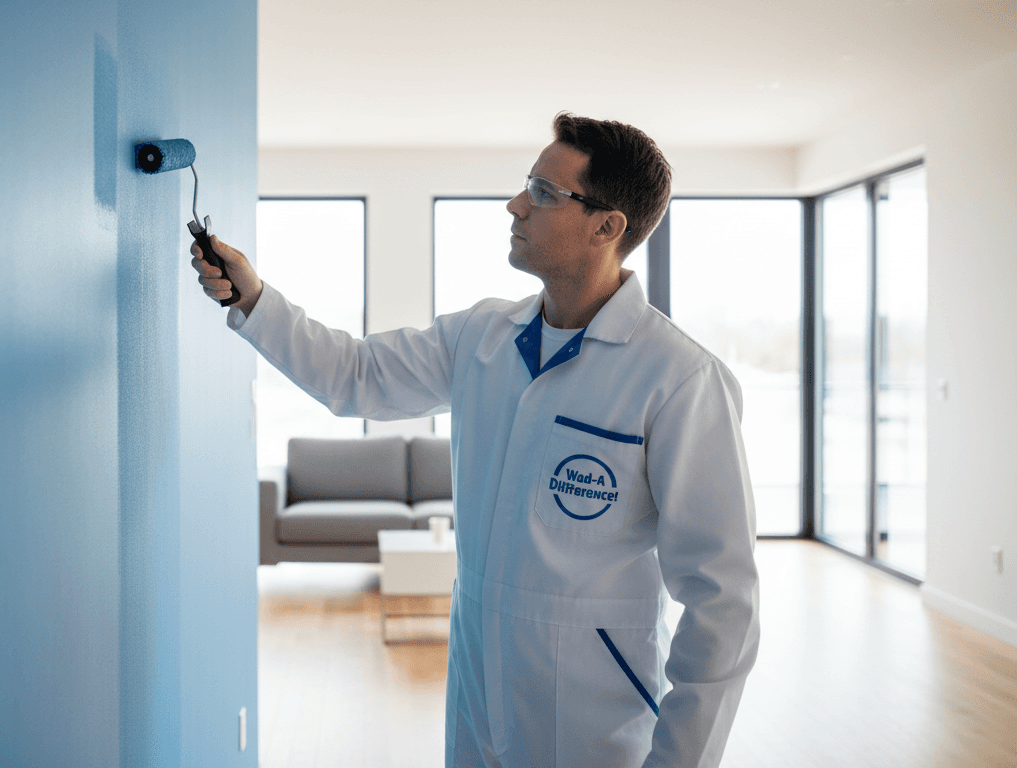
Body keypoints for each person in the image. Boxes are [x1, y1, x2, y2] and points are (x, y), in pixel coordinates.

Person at [190, 113, 759, 768]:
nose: (516, 204)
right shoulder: (483, 337)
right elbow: (357, 377)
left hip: (592, 717)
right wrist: (256, 299)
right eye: (526, 185)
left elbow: (723, 604)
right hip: (478, 689)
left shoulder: (679, 380)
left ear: (607, 226)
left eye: (545, 193)